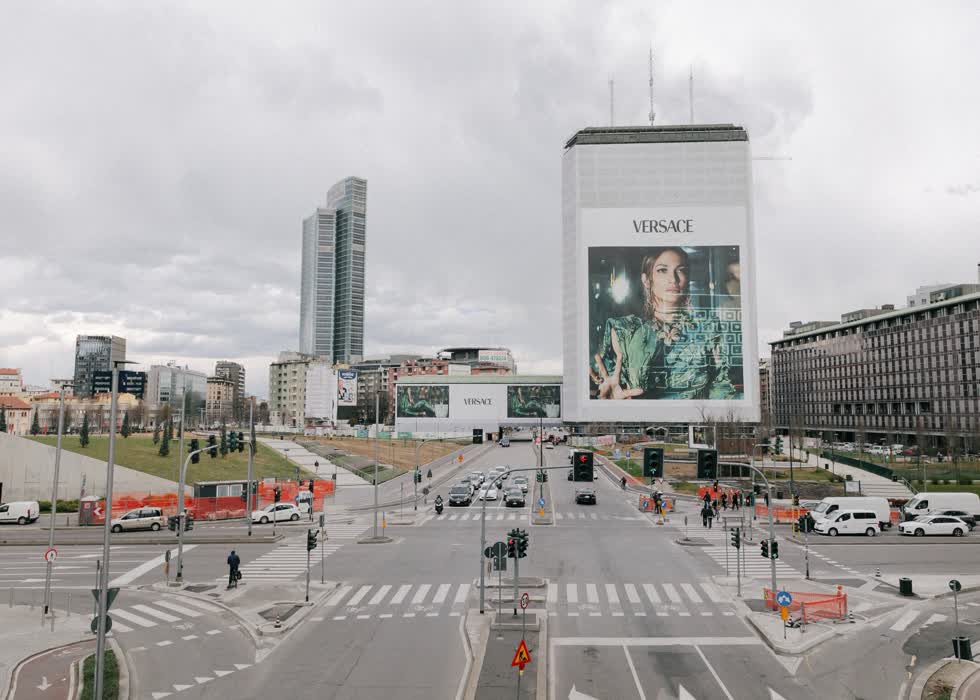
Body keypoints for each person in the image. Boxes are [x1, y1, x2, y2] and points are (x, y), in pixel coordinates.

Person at [589, 247, 741, 400]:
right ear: (646, 280)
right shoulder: (624, 330)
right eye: (662, 270)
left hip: (696, 421)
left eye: (681, 270)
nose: (673, 279)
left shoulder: (708, 327)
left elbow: (720, 386)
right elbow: (611, 387)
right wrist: (609, 404)